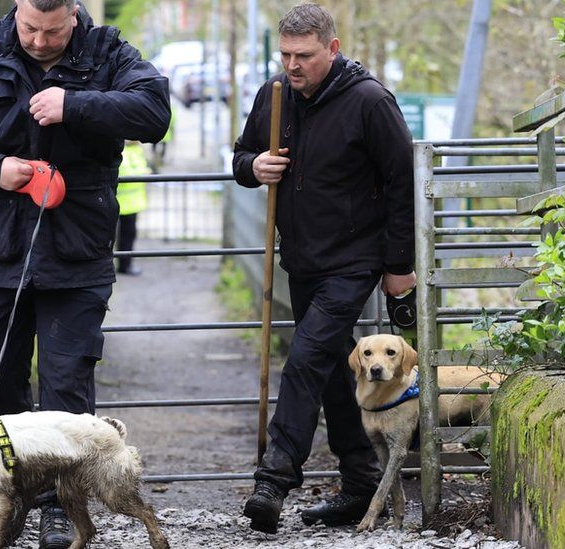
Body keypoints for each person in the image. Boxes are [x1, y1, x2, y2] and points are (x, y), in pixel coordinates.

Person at [0, 1, 170, 547]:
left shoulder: (108, 54)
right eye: (29, 27)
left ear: (73, 17)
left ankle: (61, 507)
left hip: (78, 254)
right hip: (0, 253)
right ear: (17, 10)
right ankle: (5, 502)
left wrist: (75, 104)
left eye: (52, 31)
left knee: (65, 390)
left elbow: (154, 113)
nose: (37, 40)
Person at [232, 3, 416, 534]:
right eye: (285, 54)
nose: (293, 65)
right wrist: (253, 167)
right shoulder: (273, 96)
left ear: (331, 50)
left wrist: (399, 265)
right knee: (338, 368)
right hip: (303, 259)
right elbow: (242, 156)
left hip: (355, 259)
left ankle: (274, 478)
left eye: (304, 56)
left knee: (307, 356)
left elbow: (402, 183)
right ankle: (360, 483)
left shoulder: (369, 100)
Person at [116, 141, 151, 275]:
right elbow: (125, 172)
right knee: (120, 236)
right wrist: (144, 172)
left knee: (129, 235)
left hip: (132, 202)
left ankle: (125, 264)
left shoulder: (136, 150)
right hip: (122, 201)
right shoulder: (122, 150)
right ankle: (123, 265)